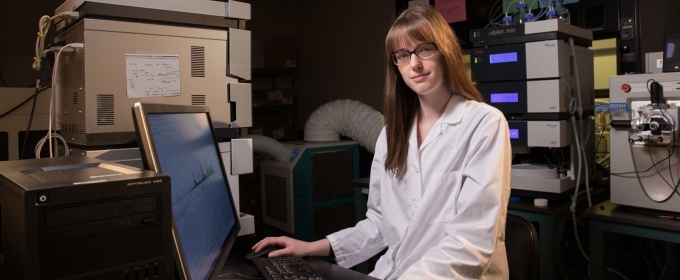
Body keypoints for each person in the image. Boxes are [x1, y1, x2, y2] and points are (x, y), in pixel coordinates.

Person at [252, 5, 512, 279]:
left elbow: (470, 244)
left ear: (445, 50)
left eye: (425, 49)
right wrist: (313, 247)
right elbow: (380, 223)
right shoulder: (393, 134)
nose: (415, 64)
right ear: (395, 65)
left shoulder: (483, 124)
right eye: (402, 55)